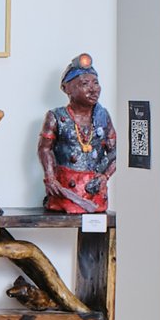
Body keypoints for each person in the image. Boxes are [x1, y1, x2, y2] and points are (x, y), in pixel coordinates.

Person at [39, 53, 116, 212]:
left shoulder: (102, 116)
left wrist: (105, 176)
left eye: (96, 83)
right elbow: (44, 148)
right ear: (67, 89)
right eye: (85, 83)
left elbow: (115, 152)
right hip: (66, 191)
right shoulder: (56, 116)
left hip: (94, 192)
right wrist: (50, 178)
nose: (93, 89)